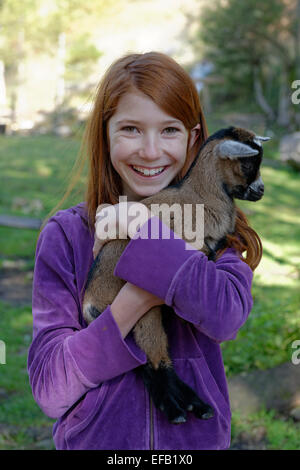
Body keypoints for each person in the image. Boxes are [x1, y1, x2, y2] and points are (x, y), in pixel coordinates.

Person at [27, 51, 261, 450]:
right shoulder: (66, 236)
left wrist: (139, 225)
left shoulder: (222, 233)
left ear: (194, 139)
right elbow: (50, 387)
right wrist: (134, 301)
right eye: (131, 129)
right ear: (106, 135)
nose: (151, 151)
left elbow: (224, 317)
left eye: (169, 130)